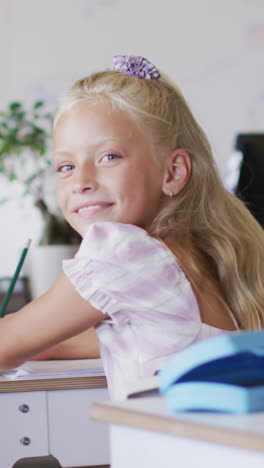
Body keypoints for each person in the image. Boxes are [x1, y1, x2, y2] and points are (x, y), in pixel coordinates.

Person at [1, 55, 264, 400]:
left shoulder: (121, 252)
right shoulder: (207, 253)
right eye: (65, 166)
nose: (81, 181)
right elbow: (161, 335)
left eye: (109, 157)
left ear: (172, 172)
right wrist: (51, 342)